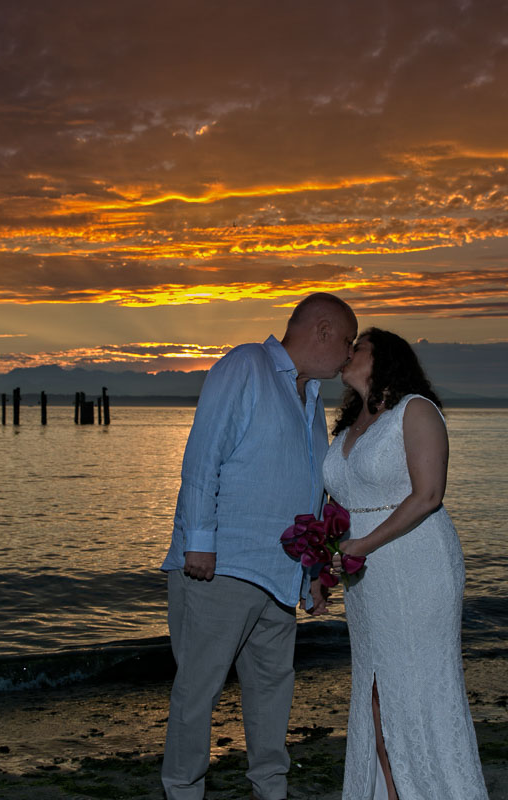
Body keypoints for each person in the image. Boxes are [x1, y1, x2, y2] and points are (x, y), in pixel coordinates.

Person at [160, 293, 358, 800]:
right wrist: (200, 543)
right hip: (222, 565)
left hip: (281, 573)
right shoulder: (246, 363)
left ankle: (271, 788)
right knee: (198, 689)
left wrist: (313, 570)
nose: (348, 355)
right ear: (322, 329)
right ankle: (182, 790)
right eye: (347, 342)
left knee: (273, 685)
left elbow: (311, 493)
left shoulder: (311, 399)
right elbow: (204, 454)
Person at [325, 328, 489, 800]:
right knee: (373, 693)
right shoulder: (353, 422)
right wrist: (326, 557)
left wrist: (363, 544)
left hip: (415, 561)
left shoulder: (415, 410)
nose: (347, 353)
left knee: (409, 691)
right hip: (366, 574)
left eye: (358, 348)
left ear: (385, 360)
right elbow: (342, 502)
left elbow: (429, 494)